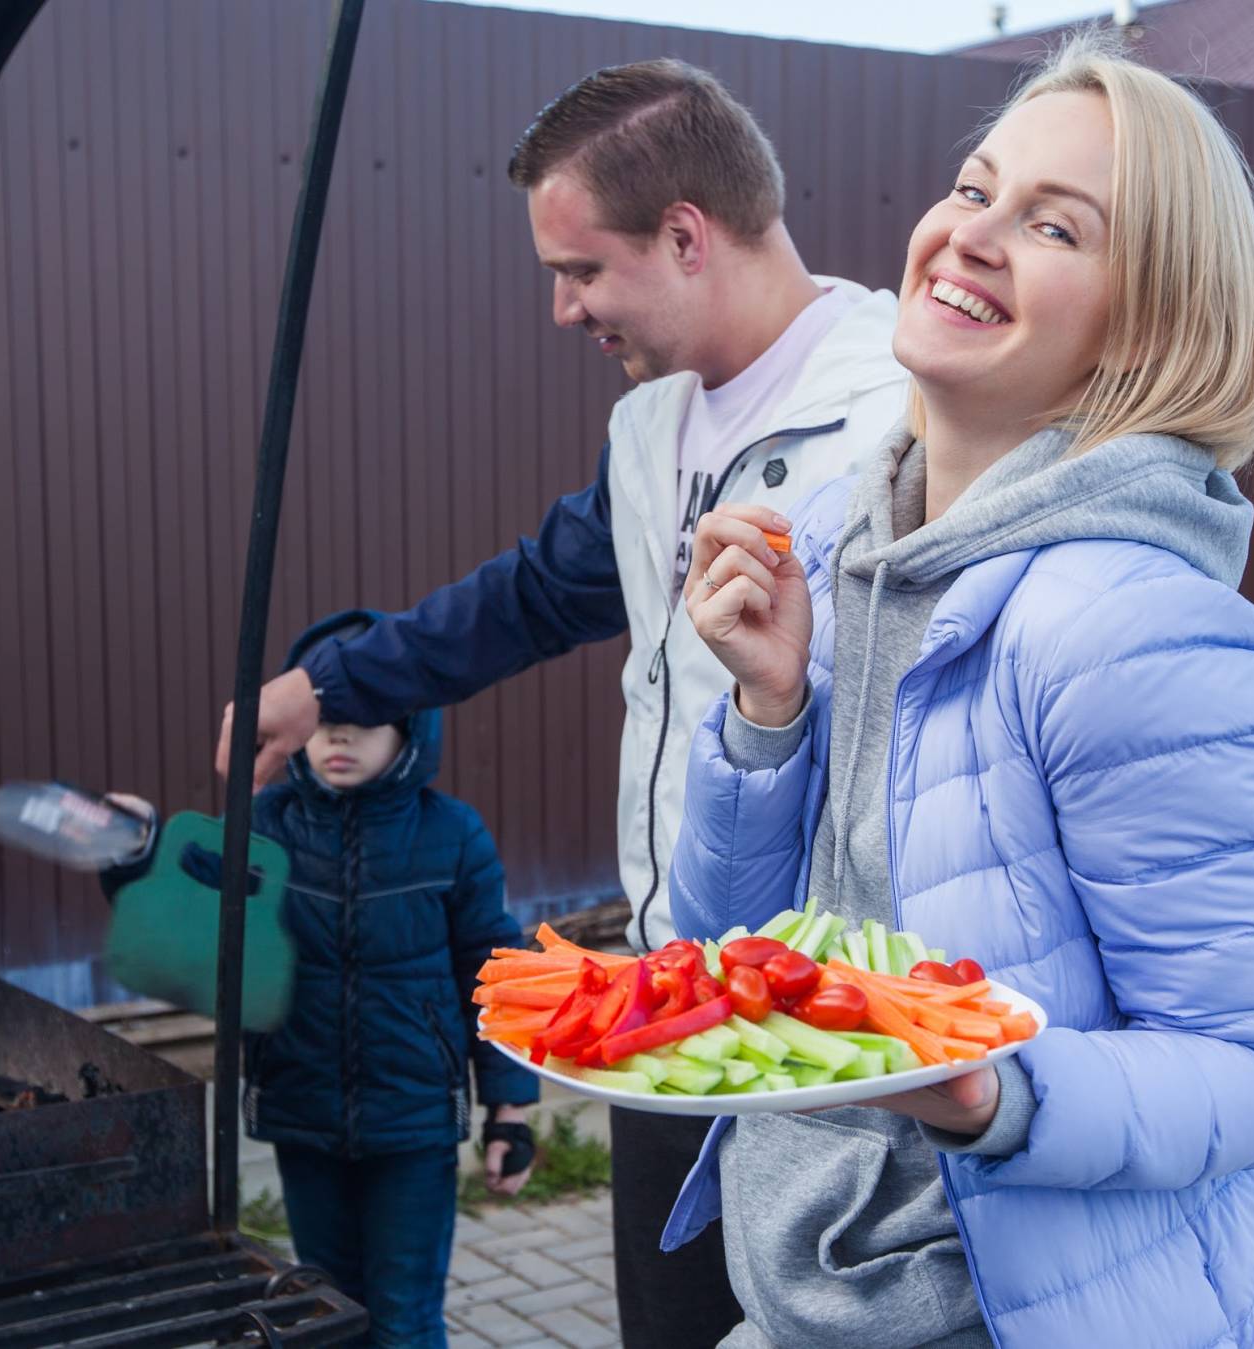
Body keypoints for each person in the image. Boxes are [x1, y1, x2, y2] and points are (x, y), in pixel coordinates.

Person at [217, 60, 909, 1348]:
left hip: (835, 1024)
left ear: (686, 236)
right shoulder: (651, 428)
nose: (559, 307)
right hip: (670, 990)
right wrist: (320, 685)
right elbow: (537, 594)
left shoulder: (893, 418)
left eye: (580, 269)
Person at [667, 33, 1254, 1348]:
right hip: (812, 1300)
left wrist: (992, 1087)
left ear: (1147, 327)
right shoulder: (854, 556)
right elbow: (728, 964)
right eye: (975, 189)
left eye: (1054, 226)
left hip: (1012, 1313)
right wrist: (768, 717)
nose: (971, 235)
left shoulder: (1133, 629)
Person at [116, 610, 538, 1349]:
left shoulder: (453, 834)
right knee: (322, 1309)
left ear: (410, 727)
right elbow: (193, 907)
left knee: (404, 1317)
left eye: (364, 718)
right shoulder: (263, 824)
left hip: (413, 1124)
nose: (338, 737)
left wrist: (510, 1108)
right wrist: (133, 848)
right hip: (302, 1109)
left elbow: (494, 971)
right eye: (323, 721)